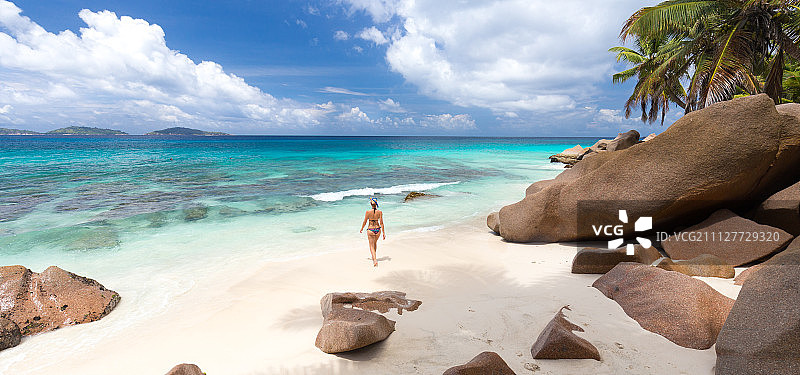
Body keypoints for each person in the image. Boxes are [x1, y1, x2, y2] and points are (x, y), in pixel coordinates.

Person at [360, 197, 385, 267]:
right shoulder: (380, 212)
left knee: (371, 245)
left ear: (371, 204)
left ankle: (374, 260)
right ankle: (374, 257)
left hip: (370, 230)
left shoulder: (368, 212)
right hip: (378, 229)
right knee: (375, 243)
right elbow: (382, 223)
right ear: (376, 204)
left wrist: (361, 228)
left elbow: (365, 222)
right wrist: (383, 233)